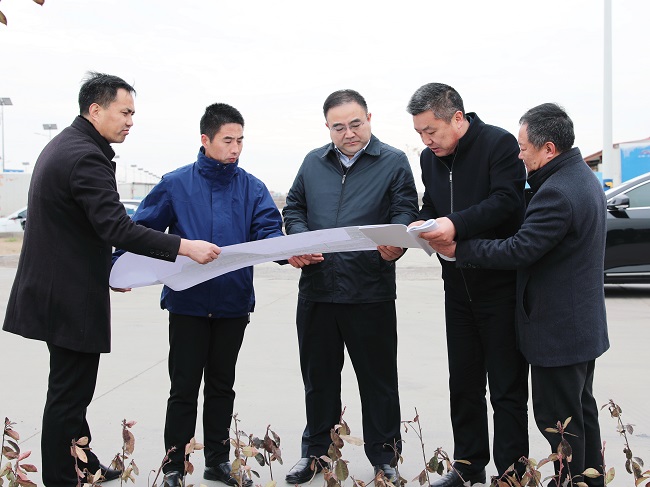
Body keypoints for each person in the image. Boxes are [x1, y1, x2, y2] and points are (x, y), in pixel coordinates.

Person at [2, 72, 220, 487]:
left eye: (132, 114)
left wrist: (112, 270)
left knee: (71, 389)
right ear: (95, 109)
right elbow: (116, 227)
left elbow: (79, 227)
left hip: (58, 290)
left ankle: (84, 465)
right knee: (68, 396)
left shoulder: (68, 145)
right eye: (124, 112)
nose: (130, 121)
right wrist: (184, 246)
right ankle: (62, 479)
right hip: (68, 297)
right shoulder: (85, 156)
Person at [112, 103, 300, 487]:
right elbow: (141, 231)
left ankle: (218, 462)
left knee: (221, 387)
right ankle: (173, 468)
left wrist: (289, 252)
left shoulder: (253, 188)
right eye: (228, 140)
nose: (236, 148)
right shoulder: (175, 183)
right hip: (188, 304)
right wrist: (117, 267)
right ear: (205, 139)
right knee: (183, 390)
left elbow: (268, 233)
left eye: (240, 140)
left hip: (233, 304)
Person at [431, 103, 610, 487]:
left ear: (548, 149)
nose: (519, 155)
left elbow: (519, 249)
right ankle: (587, 481)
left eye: (524, 147)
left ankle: (570, 481)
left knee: (559, 421)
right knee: (581, 413)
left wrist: (461, 249)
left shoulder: (556, 193)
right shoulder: (583, 178)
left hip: (558, 330)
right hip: (581, 326)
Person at [282, 89, 419, 484]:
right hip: (318, 290)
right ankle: (316, 454)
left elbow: (405, 209)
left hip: (369, 290)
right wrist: (300, 238)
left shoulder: (393, 161)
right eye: (338, 127)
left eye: (355, 124)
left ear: (369, 119)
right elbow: (294, 207)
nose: (348, 133)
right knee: (319, 381)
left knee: (378, 382)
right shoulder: (313, 162)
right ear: (327, 127)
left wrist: (396, 243)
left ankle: (385, 457)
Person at [406, 83, 529, 487]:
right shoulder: (429, 158)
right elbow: (432, 204)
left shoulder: (498, 144)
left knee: (507, 388)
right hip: (456, 287)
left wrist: (454, 225)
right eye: (420, 133)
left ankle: (511, 473)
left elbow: (506, 201)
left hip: (500, 285)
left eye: (431, 131)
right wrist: (420, 223)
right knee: (463, 383)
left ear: (457, 118)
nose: (426, 141)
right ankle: (468, 466)